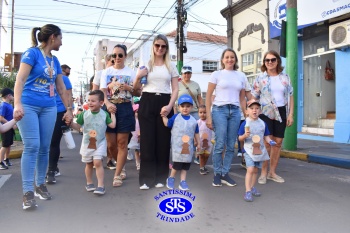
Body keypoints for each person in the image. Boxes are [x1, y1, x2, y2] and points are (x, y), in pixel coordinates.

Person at [13, 24, 73, 210]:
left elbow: (61, 89)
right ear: (53, 37)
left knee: (45, 147)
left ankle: (40, 185)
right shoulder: (32, 54)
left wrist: (69, 109)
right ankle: (27, 192)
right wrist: (17, 104)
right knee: (32, 146)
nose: (62, 43)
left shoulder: (55, 61)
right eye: (61, 38)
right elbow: (20, 80)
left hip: (49, 107)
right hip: (29, 105)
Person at [137, 34, 179, 190]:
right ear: (153, 47)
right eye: (157, 46)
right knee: (147, 141)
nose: (160, 49)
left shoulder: (171, 66)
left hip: (165, 101)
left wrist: (169, 106)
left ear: (166, 48)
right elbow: (137, 88)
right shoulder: (146, 64)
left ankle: (161, 177)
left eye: (163, 46)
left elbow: (175, 89)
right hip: (147, 100)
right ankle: (146, 179)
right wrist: (138, 77)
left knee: (163, 141)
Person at [100, 44, 142, 187]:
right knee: (111, 144)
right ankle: (120, 164)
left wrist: (129, 88)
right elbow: (103, 93)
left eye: (120, 55)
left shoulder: (131, 72)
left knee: (122, 143)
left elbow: (138, 92)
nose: (117, 58)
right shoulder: (106, 72)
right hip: (109, 108)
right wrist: (107, 103)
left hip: (125, 108)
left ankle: (117, 175)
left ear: (125, 56)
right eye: (114, 55)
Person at [205, 48, 247, 187]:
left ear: (235, 60)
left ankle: (225, 173)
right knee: (220, 143)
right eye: (227, 57)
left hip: (235, 111)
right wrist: (209, 117)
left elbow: (242, 99)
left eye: (232, 57)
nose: (230, 59)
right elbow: (208, 97)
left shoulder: (241, 76)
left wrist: (246, 113)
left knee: (230, 145)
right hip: (219, 110)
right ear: (222, 60)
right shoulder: (216, 74)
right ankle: (217, 174)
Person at [251, 50, 294, 184]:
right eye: (267, 60)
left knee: (278, 143)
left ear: (277, 61)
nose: (270, 62)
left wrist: (290, 114)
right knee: (267, 143)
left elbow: (291, 96)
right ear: (264, 62)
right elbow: (254, 97)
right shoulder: (260, 78)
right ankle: (263, 173)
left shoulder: (285, 77)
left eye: (273, 59)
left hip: (281, 111)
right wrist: (253, 113)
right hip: (265, 112)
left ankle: (272, 173)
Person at [70, 90, 115, 195]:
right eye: (88, 100)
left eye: (93, 101)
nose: (90, 103)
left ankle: (101, 185)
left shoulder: (104, 114)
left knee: (98, 162)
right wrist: (71, 124)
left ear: (101, 103)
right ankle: (89, 183)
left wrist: (112, 114)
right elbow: (78, 127)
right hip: (87, 143)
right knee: (89, 163)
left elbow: (112, 125)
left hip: (100, 142)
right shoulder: (84, 114)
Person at [238, 101, 276, 202]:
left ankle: (252, 187)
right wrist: (245, 136)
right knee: (250, 169)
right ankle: (247, 191)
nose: (254, 110)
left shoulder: (263, 123)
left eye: (257, 108)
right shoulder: (245, 123)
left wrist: (270, 141)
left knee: (255, 171)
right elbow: (240, 138)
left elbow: (266, 136)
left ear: (260, 111)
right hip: (248, 150)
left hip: (259, 151)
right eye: (252, 108)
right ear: (247, 111)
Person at [163, 94, 200, 191]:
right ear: (178, 107)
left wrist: (198, 143)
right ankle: (171, 178)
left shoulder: (194, 121)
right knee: (177, 164)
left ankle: (183, 181)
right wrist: (163, 116)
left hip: (188, 147)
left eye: (188, 106)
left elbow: (196, 132)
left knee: (186, 165)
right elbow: (167, 124)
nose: (185, 109)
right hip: (177, 147)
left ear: (192, 107)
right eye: (182, 106)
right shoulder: (175, 117)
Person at [46, 64, 73, 184]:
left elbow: (69, 96)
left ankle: (51, 170)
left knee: (53, 141)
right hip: (43, 111)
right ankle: (52, 166)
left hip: (59, 111)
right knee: (43, 143)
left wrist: (69, 111)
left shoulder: (64, 79)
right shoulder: (41, 78)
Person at [177, 65, 203, 165]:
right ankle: (184, 154)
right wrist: (175, 112)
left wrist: (202, 109)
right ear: (182, 74)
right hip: (181, 113)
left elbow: (200, 98)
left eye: (188, 73)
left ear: (191, 74)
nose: (187, 75)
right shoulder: (178, 85)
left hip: (195, 112)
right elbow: (175, 99)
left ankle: (197, 155)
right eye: (185, 73)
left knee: (196, 134)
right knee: (183, 134)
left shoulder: (196, 84)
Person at [0, 88, 16, 169]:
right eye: (12, 95)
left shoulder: (9, 105)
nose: (13, 97)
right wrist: (10, 124)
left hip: (10, 128)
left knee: (9, 144)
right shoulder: (3, 105)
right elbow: (1, 118)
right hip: (5, 128)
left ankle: (7, 159)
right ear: (9, 95)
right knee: (5, 145)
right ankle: (1, 162)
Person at [196, 105, 213, 175]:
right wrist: (195, 141)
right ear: (198, 113)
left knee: (206, 155)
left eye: (205, 112)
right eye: (201, 112)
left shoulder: (209, 122)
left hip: (209, 142)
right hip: (200, 142)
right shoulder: (198, 122)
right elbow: (195, 132)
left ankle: (204, 166)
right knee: (201, 155)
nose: (202, 114)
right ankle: (201, 168)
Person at [128, 103, 140, 170]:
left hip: (143, 138)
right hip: (135, 138)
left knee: (141, 152)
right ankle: (138, 164)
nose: (138, 113)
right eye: (136, 111)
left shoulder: (142, 120)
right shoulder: (133, 121)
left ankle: (141, 163)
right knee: (136, 151)